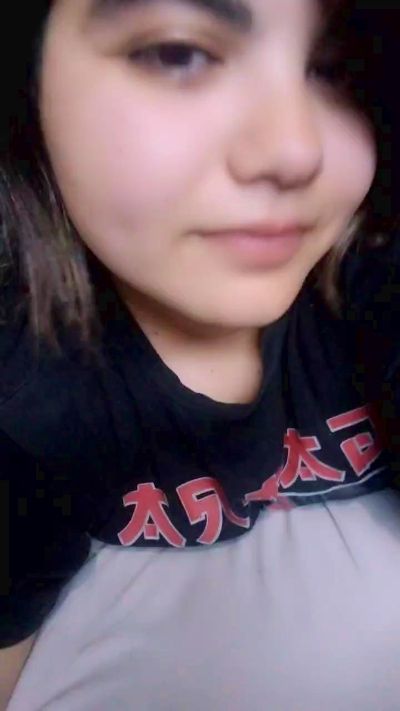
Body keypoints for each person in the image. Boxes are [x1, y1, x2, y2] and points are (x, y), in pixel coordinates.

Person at [1, 0, 400, 708]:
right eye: (178, 53)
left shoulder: (376, 269)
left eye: (336, 68)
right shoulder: (25, 389)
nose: (295, 151)